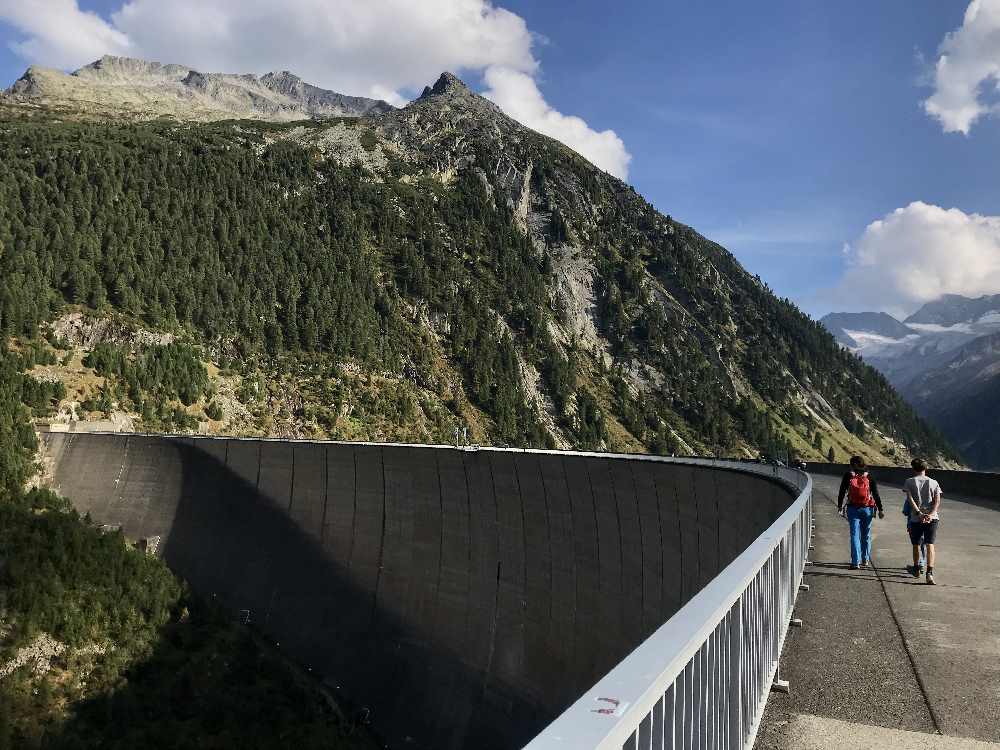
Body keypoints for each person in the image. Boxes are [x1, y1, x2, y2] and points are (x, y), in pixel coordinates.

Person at [837, 456, 885, 569]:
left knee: (854, 534)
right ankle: (865, 559)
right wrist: (881, 509)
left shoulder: (848, 475)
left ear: (852, 464)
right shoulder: (869, 475)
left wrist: (839, 506)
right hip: (867, 508)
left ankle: (855, 562)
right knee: (866, 534)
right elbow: (876, 494)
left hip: (853, 508)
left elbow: (842, 491)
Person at [903, 458, 942, 585]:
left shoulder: (909, 481)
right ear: (925, 468)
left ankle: (916, 568)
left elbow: (910, 500)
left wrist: (919, 513)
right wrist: (930, 514)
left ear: (913, 468)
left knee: (916, 544)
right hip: (932, 518)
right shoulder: (934, 482)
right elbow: (937, 502)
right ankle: (929, 573)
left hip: (916, 518)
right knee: (930, 544)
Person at [902, 492, 927, 576]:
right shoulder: (927, 497)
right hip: (926, 523)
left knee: (916, 545)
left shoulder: (911, 497)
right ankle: (922, 564)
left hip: (913, 523)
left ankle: (917, 567)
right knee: (923, 544)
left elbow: (905, 512)